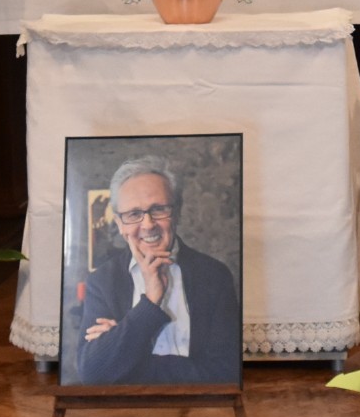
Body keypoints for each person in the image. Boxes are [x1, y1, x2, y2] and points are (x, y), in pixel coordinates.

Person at [76, 156, 241, 386]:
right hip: (125, 416)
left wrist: (127, 358)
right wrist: (150, 303)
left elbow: (226, 373)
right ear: (120, 224)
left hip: (199, 411)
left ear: (177, 212)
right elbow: (92, 375)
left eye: (159, 209)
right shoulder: (102, 282)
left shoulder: (214, 276)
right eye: (133, 214)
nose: (147, 224)